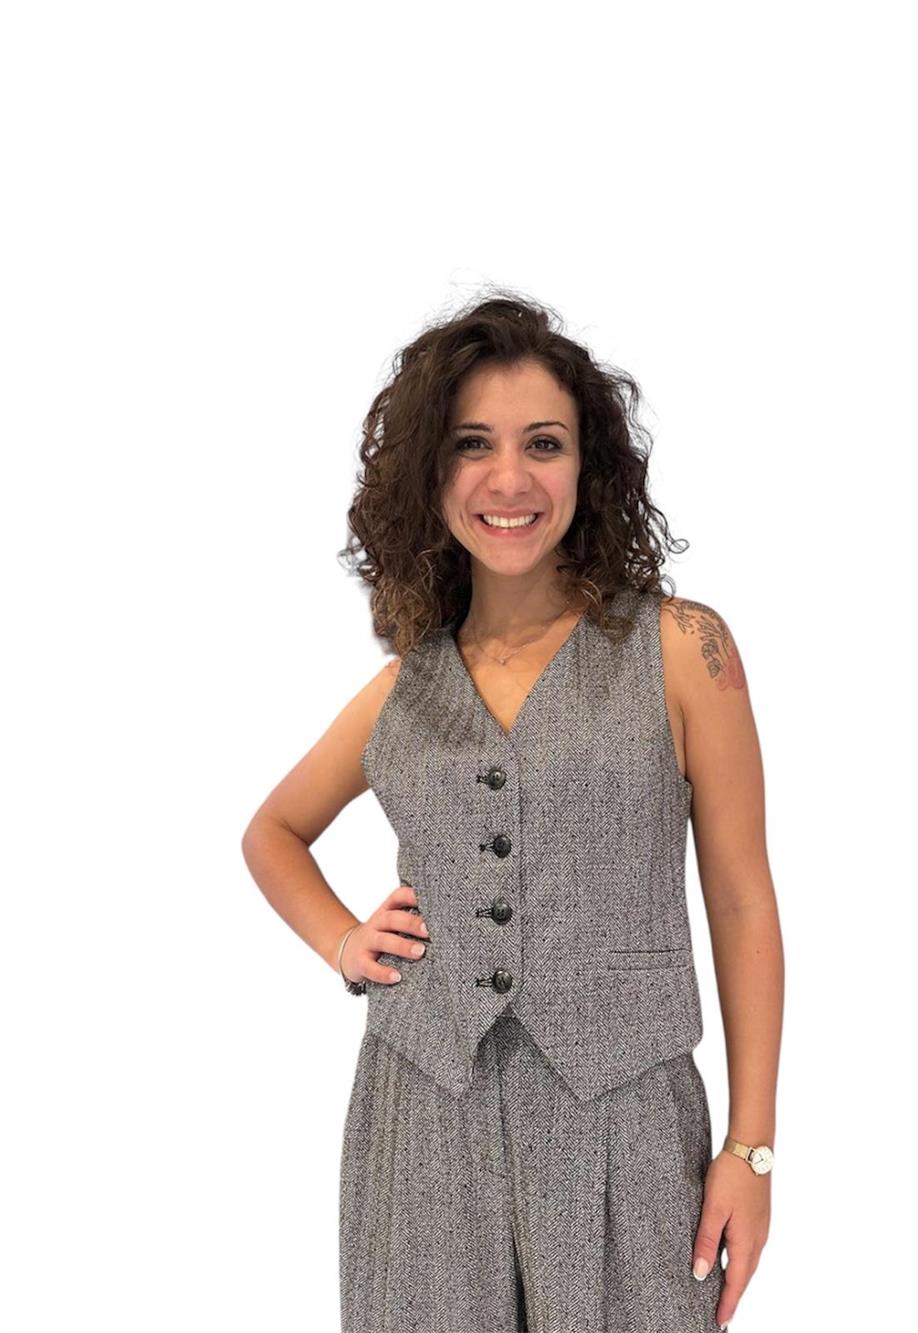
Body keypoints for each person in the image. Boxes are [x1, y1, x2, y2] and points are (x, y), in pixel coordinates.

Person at [241, 290, 783, 1333]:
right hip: (421, 1121)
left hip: (626, 1119)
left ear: (588, 465)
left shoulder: (682, 650)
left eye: (544, 443)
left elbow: (742, 900)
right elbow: (272, 833)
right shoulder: (403, 691)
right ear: (432, 474)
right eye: (472, 444)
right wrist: (344, 941)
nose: (509, 479)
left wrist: (749, 1149)